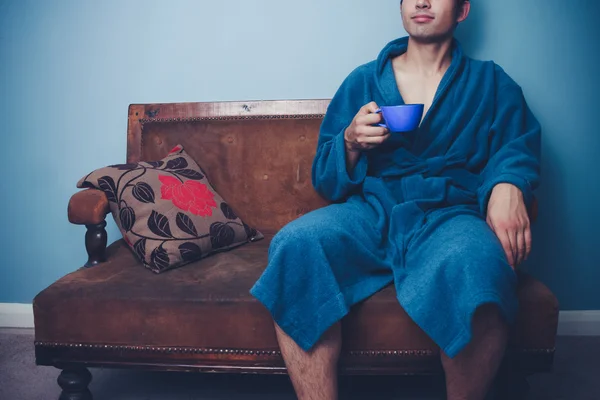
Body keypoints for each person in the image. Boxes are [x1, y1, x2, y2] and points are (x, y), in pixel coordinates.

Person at [250, 0, 541, 398]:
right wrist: (350, 142)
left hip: (450, 213)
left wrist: (508, 184)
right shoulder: (364, 80)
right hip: (374, 208)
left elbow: (516, 147)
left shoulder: (491, 83)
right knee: (296, 244)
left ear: (462, 10)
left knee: (479, 265)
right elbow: (326, 178)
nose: (421, 1)